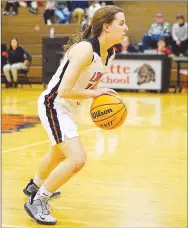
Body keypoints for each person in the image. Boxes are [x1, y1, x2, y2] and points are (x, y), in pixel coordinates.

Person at [23, 5, 128, 225]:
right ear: (107, 27)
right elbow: (63, 90)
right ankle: (38, 200)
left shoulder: (109, 53)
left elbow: (93, 82)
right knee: (77, 159)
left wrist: (98, 103)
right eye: (121, 23)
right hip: (54, 104)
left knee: (59, 153)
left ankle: (35, 184)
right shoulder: (84, 49)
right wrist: (95, 93)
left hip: (69, 107)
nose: (126, 28)